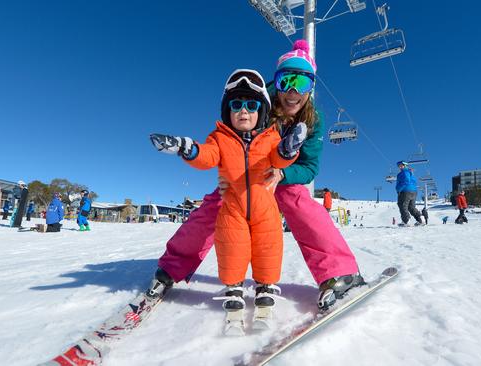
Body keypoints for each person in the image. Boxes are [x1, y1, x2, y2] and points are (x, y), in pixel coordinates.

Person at [146, 40, 364, 313]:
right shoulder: (257, 101)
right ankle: (171, 267)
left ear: (311, 88)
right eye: (287, 81)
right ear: (277, 83)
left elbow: (310, 167)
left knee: (300, 203)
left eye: (302, 83)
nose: (293, 91)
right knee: (215, 207)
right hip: (243, 178)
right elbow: (228, 137)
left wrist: (282, 173)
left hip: (280, 178)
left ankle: (340, 272)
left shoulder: (312, 120)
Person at [150, 69, 304, 332]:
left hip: (265, 209)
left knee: (268, 248)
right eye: (236, 104)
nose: (243, 111)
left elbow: (279, 159)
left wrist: (289, 148)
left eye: (251, 105)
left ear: (262, 111)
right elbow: (207, 156)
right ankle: (234, 288)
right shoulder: (219, 138)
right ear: (227, 110)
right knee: (232, 248)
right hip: (231, 210)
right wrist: (188, 148)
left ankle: (265, 287)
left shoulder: (270, 138)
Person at [395, 161, 424, 226]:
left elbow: (406, 181)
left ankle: (406, 220)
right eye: (399, 165)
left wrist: (399, 189)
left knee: (402, 205)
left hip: (405, 191)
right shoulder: (411, 173)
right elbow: (413, 182)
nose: (399, 167)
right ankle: (420, 219)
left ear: (405, 165)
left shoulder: (404, 172)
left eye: (401, 165)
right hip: (413, 191)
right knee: (411, 207)